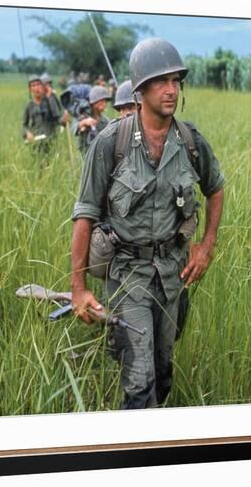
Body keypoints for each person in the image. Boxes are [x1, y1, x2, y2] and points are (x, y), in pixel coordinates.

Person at [70, 37, 225, 410]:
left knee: (163, 371)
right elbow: (85, 214)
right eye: (161, 81)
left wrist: (206, 246)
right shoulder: (111, 143)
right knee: (139, 387)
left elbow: (215, 189)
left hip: (173, 277)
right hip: (127, 278)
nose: (171, 89)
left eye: (176, 81)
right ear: (140, 89)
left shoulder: (190, 142)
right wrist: (78, 287)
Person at [22, 74, 61, 146]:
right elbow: (24, 125)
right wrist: (27, 133)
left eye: (38, 84)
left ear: (42, 86)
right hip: (36, 142)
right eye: (33, 85)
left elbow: (57, 116)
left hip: (51, 140)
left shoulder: (50, 100)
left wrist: (50, 98)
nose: (36, 88)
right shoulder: (29, 105)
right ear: (30, 89)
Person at [72, 85, 111, 154]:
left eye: (105, 101)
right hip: (85, 154)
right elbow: (73, 129)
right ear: (93, 102)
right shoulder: (82, 116)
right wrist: (83, 123)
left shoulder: (106, 120)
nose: (104, 104)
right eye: (101, 101)